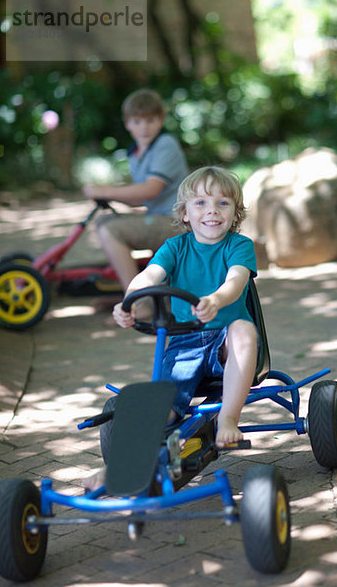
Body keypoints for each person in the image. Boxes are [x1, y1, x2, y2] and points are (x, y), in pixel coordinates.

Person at [84, 166, 258, 491]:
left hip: (225, 340)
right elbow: (149, 277)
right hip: (185, 342)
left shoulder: (239, 245)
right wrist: (130, 302)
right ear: (185, 213)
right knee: (155, 406)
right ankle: (118, 468)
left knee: (243, 331)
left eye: (223, 204)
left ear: (235, 213)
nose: (212, 212)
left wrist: (216, 300)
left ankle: (228, 419)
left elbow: (236, 281)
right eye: (201, 203)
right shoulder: (175, 247)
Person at [83, 88, 189, 294]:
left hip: (176, 222)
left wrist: (105, 190)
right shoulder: (135, 153)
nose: (144, 127)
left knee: (111, 230)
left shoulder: (165, 145)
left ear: (161, 120)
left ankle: (138, 302)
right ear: (127, 123)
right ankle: (129, 289)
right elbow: (139, 198)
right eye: (137, 121)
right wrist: (108, 194)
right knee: (104, 221)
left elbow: (150, 190)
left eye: (150, 120)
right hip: (158, 217)